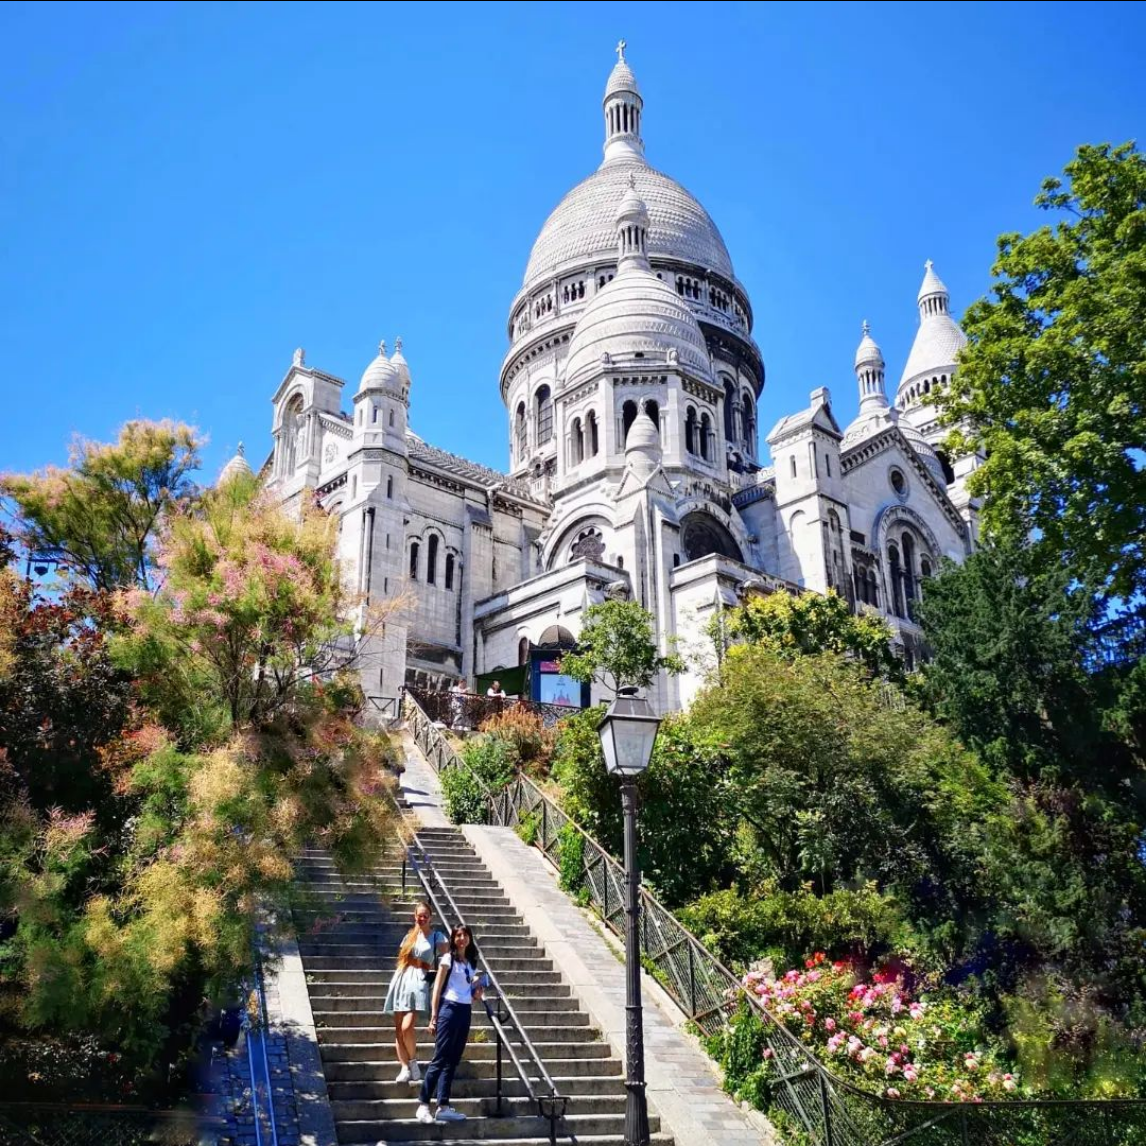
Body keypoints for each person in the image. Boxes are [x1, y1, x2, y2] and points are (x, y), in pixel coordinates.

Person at [415, 924, 485, 1124]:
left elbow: (467, 992)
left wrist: (476, 993)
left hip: (464, 1010)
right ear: (454, 939)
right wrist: (434, 1016)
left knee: (453, 1059)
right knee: (440, 1057)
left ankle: (443, 1105)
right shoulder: (448, 959)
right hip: (449, 1009)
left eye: (465, 935)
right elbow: (437, 988)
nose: (462, 939)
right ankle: (423, 1104)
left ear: (470, 938)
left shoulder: (471, 963)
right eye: (458, 935)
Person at [382, 902, 449, 1084]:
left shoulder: (437, 937)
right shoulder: (408, 937)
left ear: (430, 917)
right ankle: (404, 1067)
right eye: (419, 915)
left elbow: (448, 959)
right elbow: (401, 960)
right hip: (401, 979)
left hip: (420, 980)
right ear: (415, 916)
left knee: (407, 1026)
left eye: (425, 915)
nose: (422, 918)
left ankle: (413, 1062)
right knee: (398, 1028)